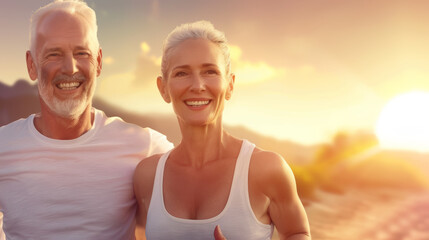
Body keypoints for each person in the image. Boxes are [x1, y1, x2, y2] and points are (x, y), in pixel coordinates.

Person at [0, 0, 173, 239]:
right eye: (54, 54)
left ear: (99, 62)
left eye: (82, 53)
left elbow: (203, 182)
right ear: (32, 65)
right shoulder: (3, 147)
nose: (70, 68)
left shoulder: (145, 146)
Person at [133, 21, 311, 240]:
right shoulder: (146, 176)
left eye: (210, 71)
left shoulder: (267, 169)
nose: (197, 85)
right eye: (182, 73)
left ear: (230, 85)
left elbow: (297, 233)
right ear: (163, 89)